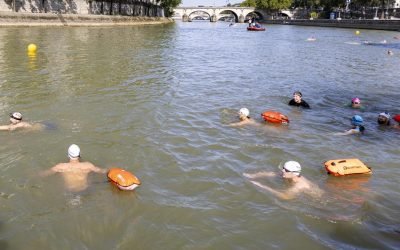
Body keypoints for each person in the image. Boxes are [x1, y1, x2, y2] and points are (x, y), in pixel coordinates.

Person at [40, 144, 107, 192]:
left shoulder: (61, 166)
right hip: (84, 190)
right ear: (79, 154)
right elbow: (102, 171)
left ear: (68, 155)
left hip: (70, 191)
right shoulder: (87, 165)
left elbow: (45, 174)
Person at [243, 161, 324, 200]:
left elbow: (285, 196)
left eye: (286, 170)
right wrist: (253, 176)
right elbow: (271, 173)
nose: (283, 171)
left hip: (317, 199)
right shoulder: (288, 174)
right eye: (283, 169)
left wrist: (262, 186)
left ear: (294, 173)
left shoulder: (299, 185)